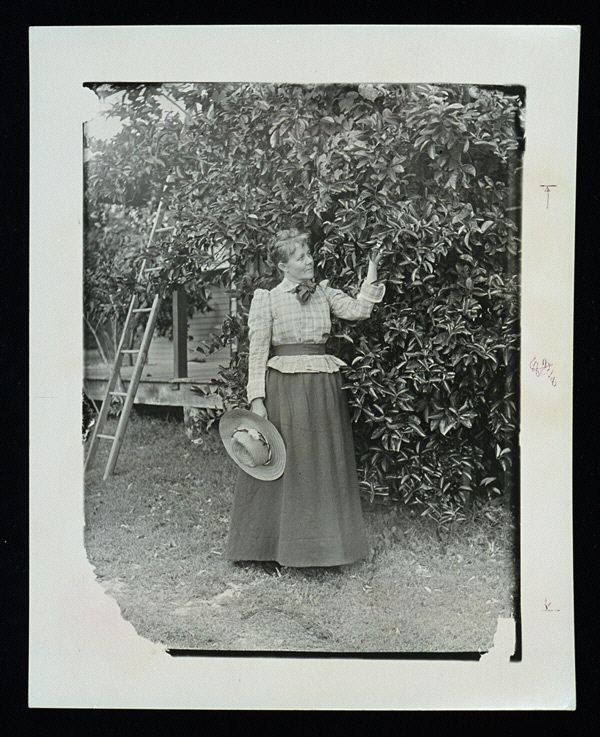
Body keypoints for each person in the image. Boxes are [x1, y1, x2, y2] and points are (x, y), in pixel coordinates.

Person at [226, 228, 385, 568]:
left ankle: (325, 550)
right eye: (300, 257)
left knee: (320, 463)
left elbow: (360, 310)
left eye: (308, 254)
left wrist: (371, 271)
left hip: (322, 387)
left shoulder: (324, 292)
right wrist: (257, 399)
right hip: (285, 389)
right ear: (283, 266)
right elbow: (257, 353)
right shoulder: (266, 299)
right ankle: (267, 549)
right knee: (284, 464)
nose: (309, 260)